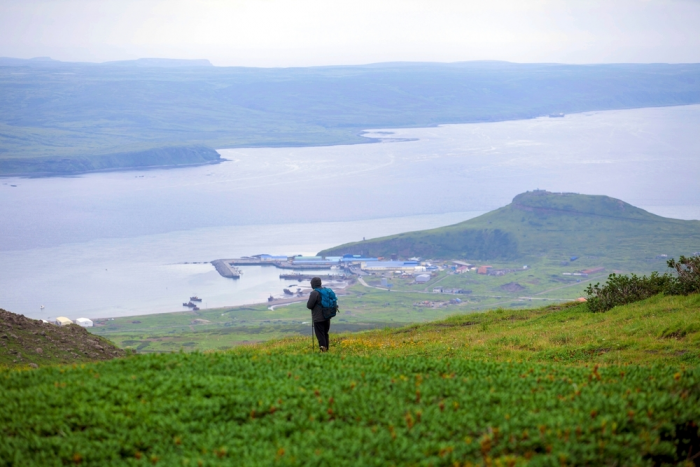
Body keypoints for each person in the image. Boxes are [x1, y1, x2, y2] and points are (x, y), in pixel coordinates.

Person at [307, 277, 331, 352]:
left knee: (320, 335)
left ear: (313, 284)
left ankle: (323, 352)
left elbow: (309, 306)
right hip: (327, 317)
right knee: (325, 334)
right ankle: (326, 350)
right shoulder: (326, 291)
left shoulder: (314, 293)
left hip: (318, 318)